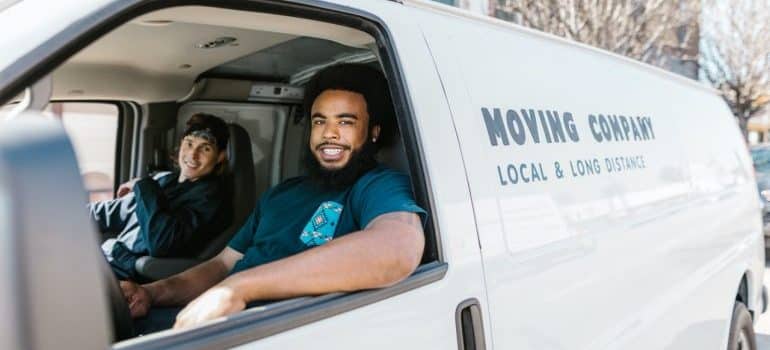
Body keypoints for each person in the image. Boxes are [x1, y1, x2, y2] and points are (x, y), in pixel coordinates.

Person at [120, 63, 426, 333]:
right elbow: (222, 266)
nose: (329, 133)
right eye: (320, 121)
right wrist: (152, 293)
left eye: (345, 122)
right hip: (209, 319)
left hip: (268, 329)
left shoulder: (377, 185)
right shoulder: (281, 193)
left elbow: (399, 248)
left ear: (372, 132)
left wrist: (239, 289)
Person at [91, 113, 232, 280]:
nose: (193, 155)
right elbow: (111, 213)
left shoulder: (210, 198)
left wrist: (141, 185)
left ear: (220, 156)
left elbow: (161, 242)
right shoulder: (164, 180)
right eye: (189, 143)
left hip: (127, 275)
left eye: (205, 148)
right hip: (105, 259)